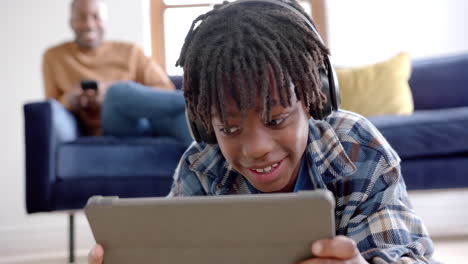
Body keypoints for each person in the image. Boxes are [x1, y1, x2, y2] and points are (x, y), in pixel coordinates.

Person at [89, 0, 434, 263]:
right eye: (230, 128)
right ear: (205, 125)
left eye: (276, 119)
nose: (256, 148)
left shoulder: (358, 149)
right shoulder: (201, 168)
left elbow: (407, 254)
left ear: (315, 101)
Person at [42, 0, 192, 146]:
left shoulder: (131, 51)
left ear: (105, 20)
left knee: (185, 118)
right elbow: (50, 109)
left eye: (96, 17)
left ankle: (203, 169)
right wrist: (71, 100)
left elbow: (165, 89)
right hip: (117, 126)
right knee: (115, 93)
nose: (89, 24)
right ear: (71, 22)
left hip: (150, 120)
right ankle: (195, 101)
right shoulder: (55, 57)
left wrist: (125, 96)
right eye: (81, 17)